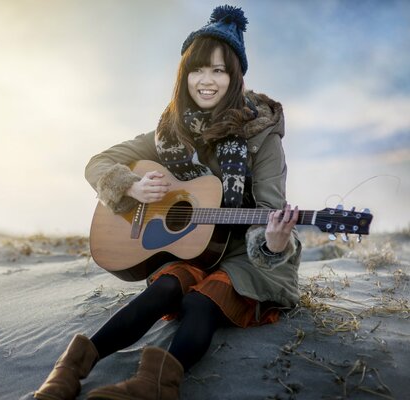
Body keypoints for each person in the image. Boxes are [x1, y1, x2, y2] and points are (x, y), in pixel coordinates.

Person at [34, 5, 301, 400]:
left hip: (246, 257)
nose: (206, 81)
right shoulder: (170, 132)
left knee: (201, 300)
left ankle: (155, 386)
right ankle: (72, 367)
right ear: (184, 75)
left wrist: (274, 243)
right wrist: (132, 186)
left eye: (219, 70)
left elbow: (268, 210)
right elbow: (99, 163)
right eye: (197, 69)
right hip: (197, 250)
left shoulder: (261, 137)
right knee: (162, 290)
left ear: (235, 77)